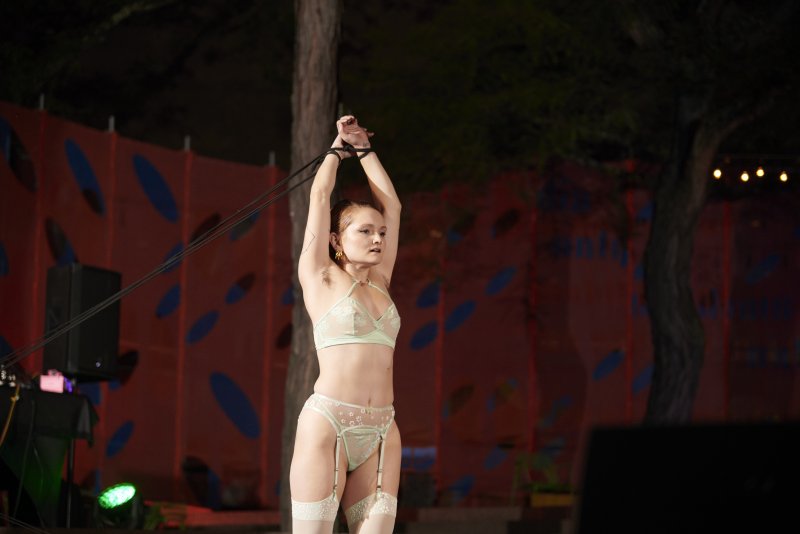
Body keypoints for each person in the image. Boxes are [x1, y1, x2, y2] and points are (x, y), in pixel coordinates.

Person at [290, 115, 402, 533]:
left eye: (381, 234)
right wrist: (337, 152)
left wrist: (365, 150)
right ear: (336, 240)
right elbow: (319, 198)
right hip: (330, 422)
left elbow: (393, 204)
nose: (378, 239)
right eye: (365, 231)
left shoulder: (382, 281)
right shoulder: (320, 277)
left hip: (382, 429)